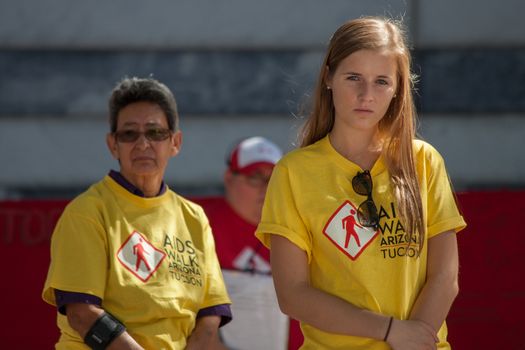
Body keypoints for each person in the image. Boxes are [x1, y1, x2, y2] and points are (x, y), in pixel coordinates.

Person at [255, 17, 467, 350]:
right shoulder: (292, 173)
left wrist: (415, 337)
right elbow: (293, 294)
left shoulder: (424, 162)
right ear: (328, 77)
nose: (366, 94)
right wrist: (391, 331)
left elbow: (445, 276)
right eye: (353, 77)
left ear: (397, 87)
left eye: (381, 81)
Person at [42, 77, 232, 349]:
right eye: (129, 134)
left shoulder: (194, 217)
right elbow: (82, 313)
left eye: (155, 133)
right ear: (113, 145)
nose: (143, 144)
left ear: (175, 142)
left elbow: (210, 317)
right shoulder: (87, 212)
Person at [193, 137, 301, 350]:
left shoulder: (299, 227)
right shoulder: (196, 220)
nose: (265, 187)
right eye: (255, 177)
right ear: (229, 178)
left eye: (273, 178)